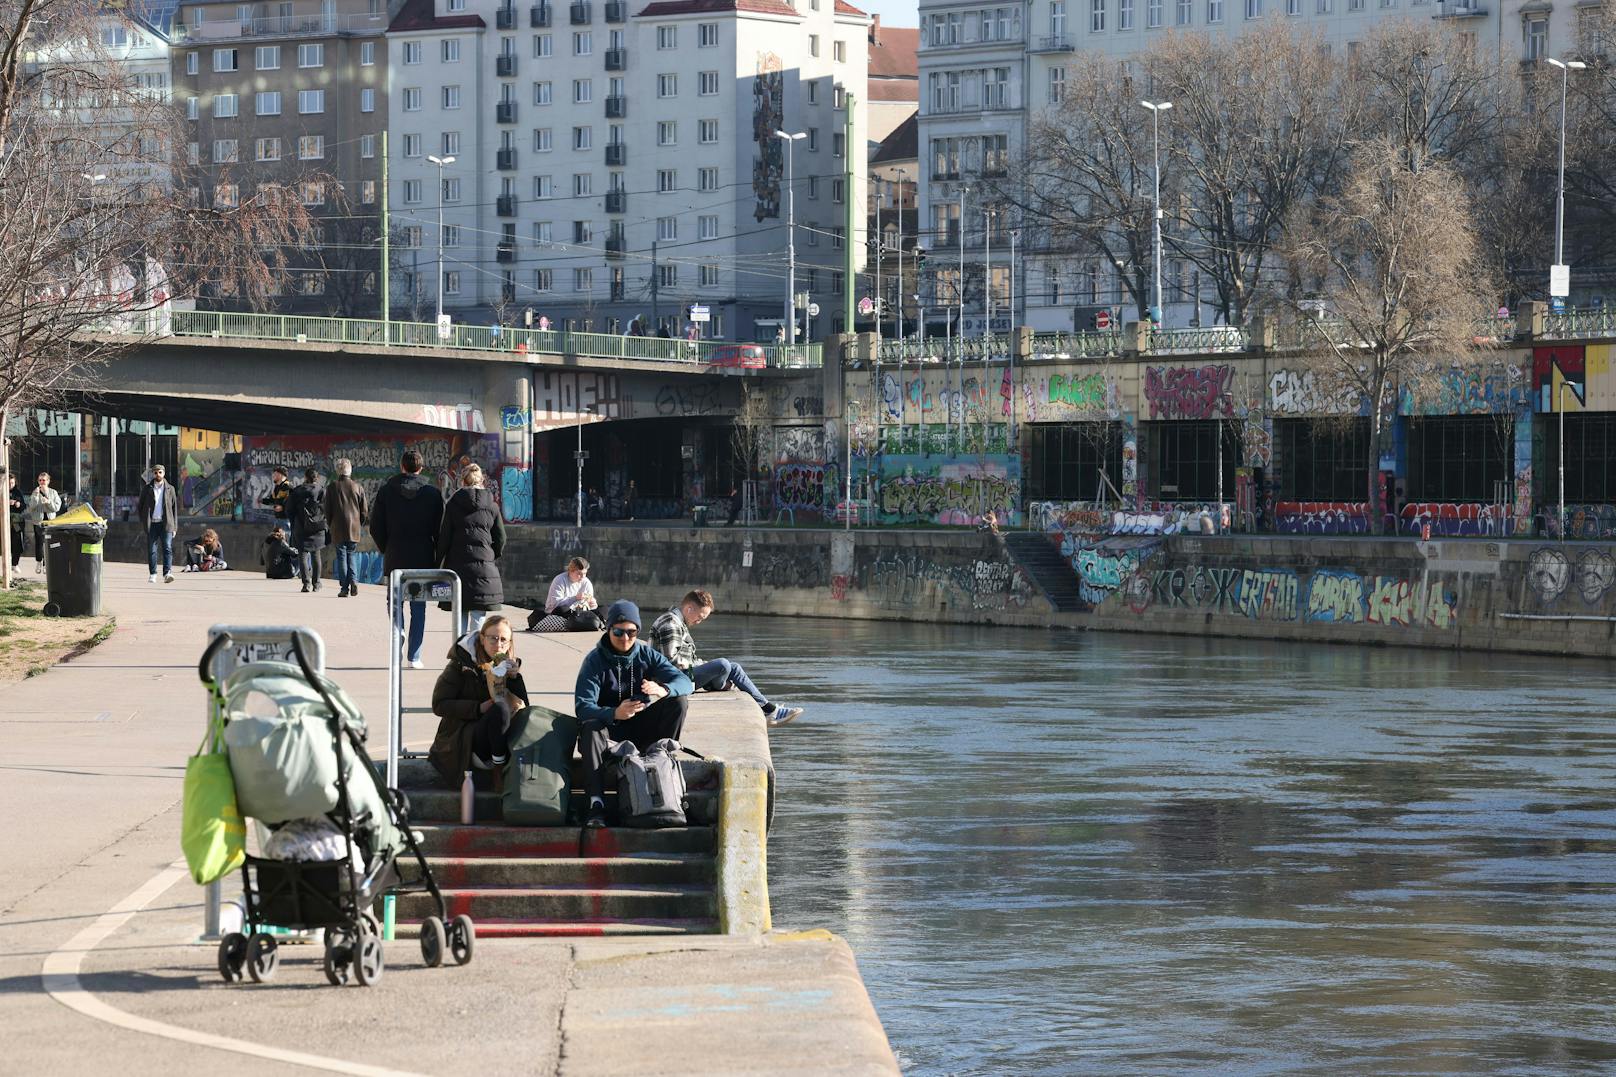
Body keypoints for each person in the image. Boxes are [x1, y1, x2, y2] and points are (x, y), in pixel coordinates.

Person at [574, 600, 692, 829]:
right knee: (589, 726)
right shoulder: (594, 661)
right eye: (618, 631)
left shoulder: (646, 654)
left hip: (641, 727)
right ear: (609, 630)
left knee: (678, 701)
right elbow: (583, 707)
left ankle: (662, 763)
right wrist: (614, 713)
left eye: (631, 632)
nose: (625, 638)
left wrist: (663, 689)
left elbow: (685, 681)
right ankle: (596, 804)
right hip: (610, 732)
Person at [650, 590, 802, 726]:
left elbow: (686, 660)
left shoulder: (678, 623)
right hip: (672, 680)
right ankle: (725, 686)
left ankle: (769, 709)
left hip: (683, 676)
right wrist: (704, 670)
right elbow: (671, 663)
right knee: (722, 665)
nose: (699, 621)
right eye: (700, 617)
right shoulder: (670, 624)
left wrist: (704, 667)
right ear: (689, 608)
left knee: (733, 667)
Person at [428, 615, 530, 789]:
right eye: (493, 638)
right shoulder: (461, 664)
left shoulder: (507, 665)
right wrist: (477, 708)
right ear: (482, 638)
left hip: (497, 733)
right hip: (464, 736)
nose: (498, 644)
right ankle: (498, 770)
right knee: (499, 709)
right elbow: (439, 704)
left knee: (519, 716)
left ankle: (507, 764)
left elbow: (524, 707)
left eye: (504, 640)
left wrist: (514, 678)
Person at [371, 450, 446, 668]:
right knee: (419, 606)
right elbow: (439, 529)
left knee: (394, 603)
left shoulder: (386, 492)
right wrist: (434, 552)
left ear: (402, 467)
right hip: (422, 554)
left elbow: (376, 526)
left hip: (395, 553)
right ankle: (414, 656)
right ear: (420, 468)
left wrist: (387, 547)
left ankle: (398, 631)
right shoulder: (432, 494)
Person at [438, 463, 505, 633]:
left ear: (462, 481)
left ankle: (460, 654)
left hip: (458, 567)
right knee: (478, 618)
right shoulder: (492, 505)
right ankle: (476, 656)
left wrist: (438, 562)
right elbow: (501, 538)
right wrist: (490, 556)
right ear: (482, 480)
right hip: (484, 569)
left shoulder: (453, 503)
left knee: (459, 614)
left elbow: (444, 537)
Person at [323, 457, 368, 598]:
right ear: (350, 471)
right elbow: (364, 510)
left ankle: (344, 588)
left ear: (338, 471)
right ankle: (354, 581)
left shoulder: (332, 487)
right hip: (354, 527)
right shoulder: (358, 487)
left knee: (341, 556)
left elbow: (327, 510)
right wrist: (358, 523)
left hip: (337, 527)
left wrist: (331, 524)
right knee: (351, 555)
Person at [284, 466, 328, 592]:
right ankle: (317, 583)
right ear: (317, 478)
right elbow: (327, 508)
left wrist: (294, 522)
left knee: (302, 555)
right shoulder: (322, 491)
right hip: (318, 527)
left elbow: (289, 509)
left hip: (301, 526)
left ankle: (306, 584)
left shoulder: (297, 491)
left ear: (305, 477)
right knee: (316, 554)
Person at [137, 463, 179, 584]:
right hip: (152, 524)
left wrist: (175, 526)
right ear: (153, 474)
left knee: (167, 548)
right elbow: (140, 506)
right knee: (152, 549)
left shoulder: (170, 488)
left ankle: (167, 573)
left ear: (164, 473)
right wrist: (144, 521)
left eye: (160, 472)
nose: (158, 474)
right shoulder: (147, 488)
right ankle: (153, 574)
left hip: (166, 523)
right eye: (155, 472)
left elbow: (174, 508)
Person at [540, 556, 603, 631]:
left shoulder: (586, 582)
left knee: (604, 610)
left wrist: (593, 604)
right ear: (570, 571)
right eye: (579, 573)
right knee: (562, 609)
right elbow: (555, 604)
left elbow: (590, 608)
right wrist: (575, 598)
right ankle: (591, 623)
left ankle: (590, 623)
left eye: (585, 573)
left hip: (580, 613)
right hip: (559, 614)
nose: (583, 577)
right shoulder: (560, 580)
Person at [25, 471, 61, 574]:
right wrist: (36, 496)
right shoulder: (35, 491)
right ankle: (39, 562)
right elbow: (31, 506)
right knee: (39, 543)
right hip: (38, 522)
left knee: (48, 543)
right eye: (40, 480)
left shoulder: (53, 493)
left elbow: (56, 508)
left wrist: (49, 502)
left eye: (44, 480)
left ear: (48, 481)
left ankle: (46, 564)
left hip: (50, 522)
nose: (42, 482)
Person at [7, 474, 25, 573]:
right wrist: (6, 502)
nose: (10, 485)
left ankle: (15, 564)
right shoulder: (2, 491)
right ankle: (7, 564)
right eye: (9, 483)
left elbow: (24, 506)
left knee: (17, 542)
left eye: (12, 483)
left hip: (16, 522)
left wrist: (19, 504)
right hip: (4, 521)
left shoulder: (18, 492)